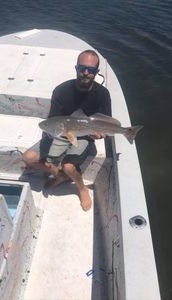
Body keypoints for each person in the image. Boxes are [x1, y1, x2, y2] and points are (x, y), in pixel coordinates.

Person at [23, 50, 111, 211]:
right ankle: (59, 175)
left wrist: (99, 134)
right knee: (28, 157)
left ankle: (82, 188)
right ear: (76, 68)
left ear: (96, 72)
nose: (86, 72)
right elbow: (53, 121)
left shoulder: (103, 94)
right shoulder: (61, 91)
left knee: (70, 166)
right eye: (82, 68)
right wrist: (59, 135)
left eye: (91, 70)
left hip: (85, 135)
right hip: (61, 131)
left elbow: (106, 120)